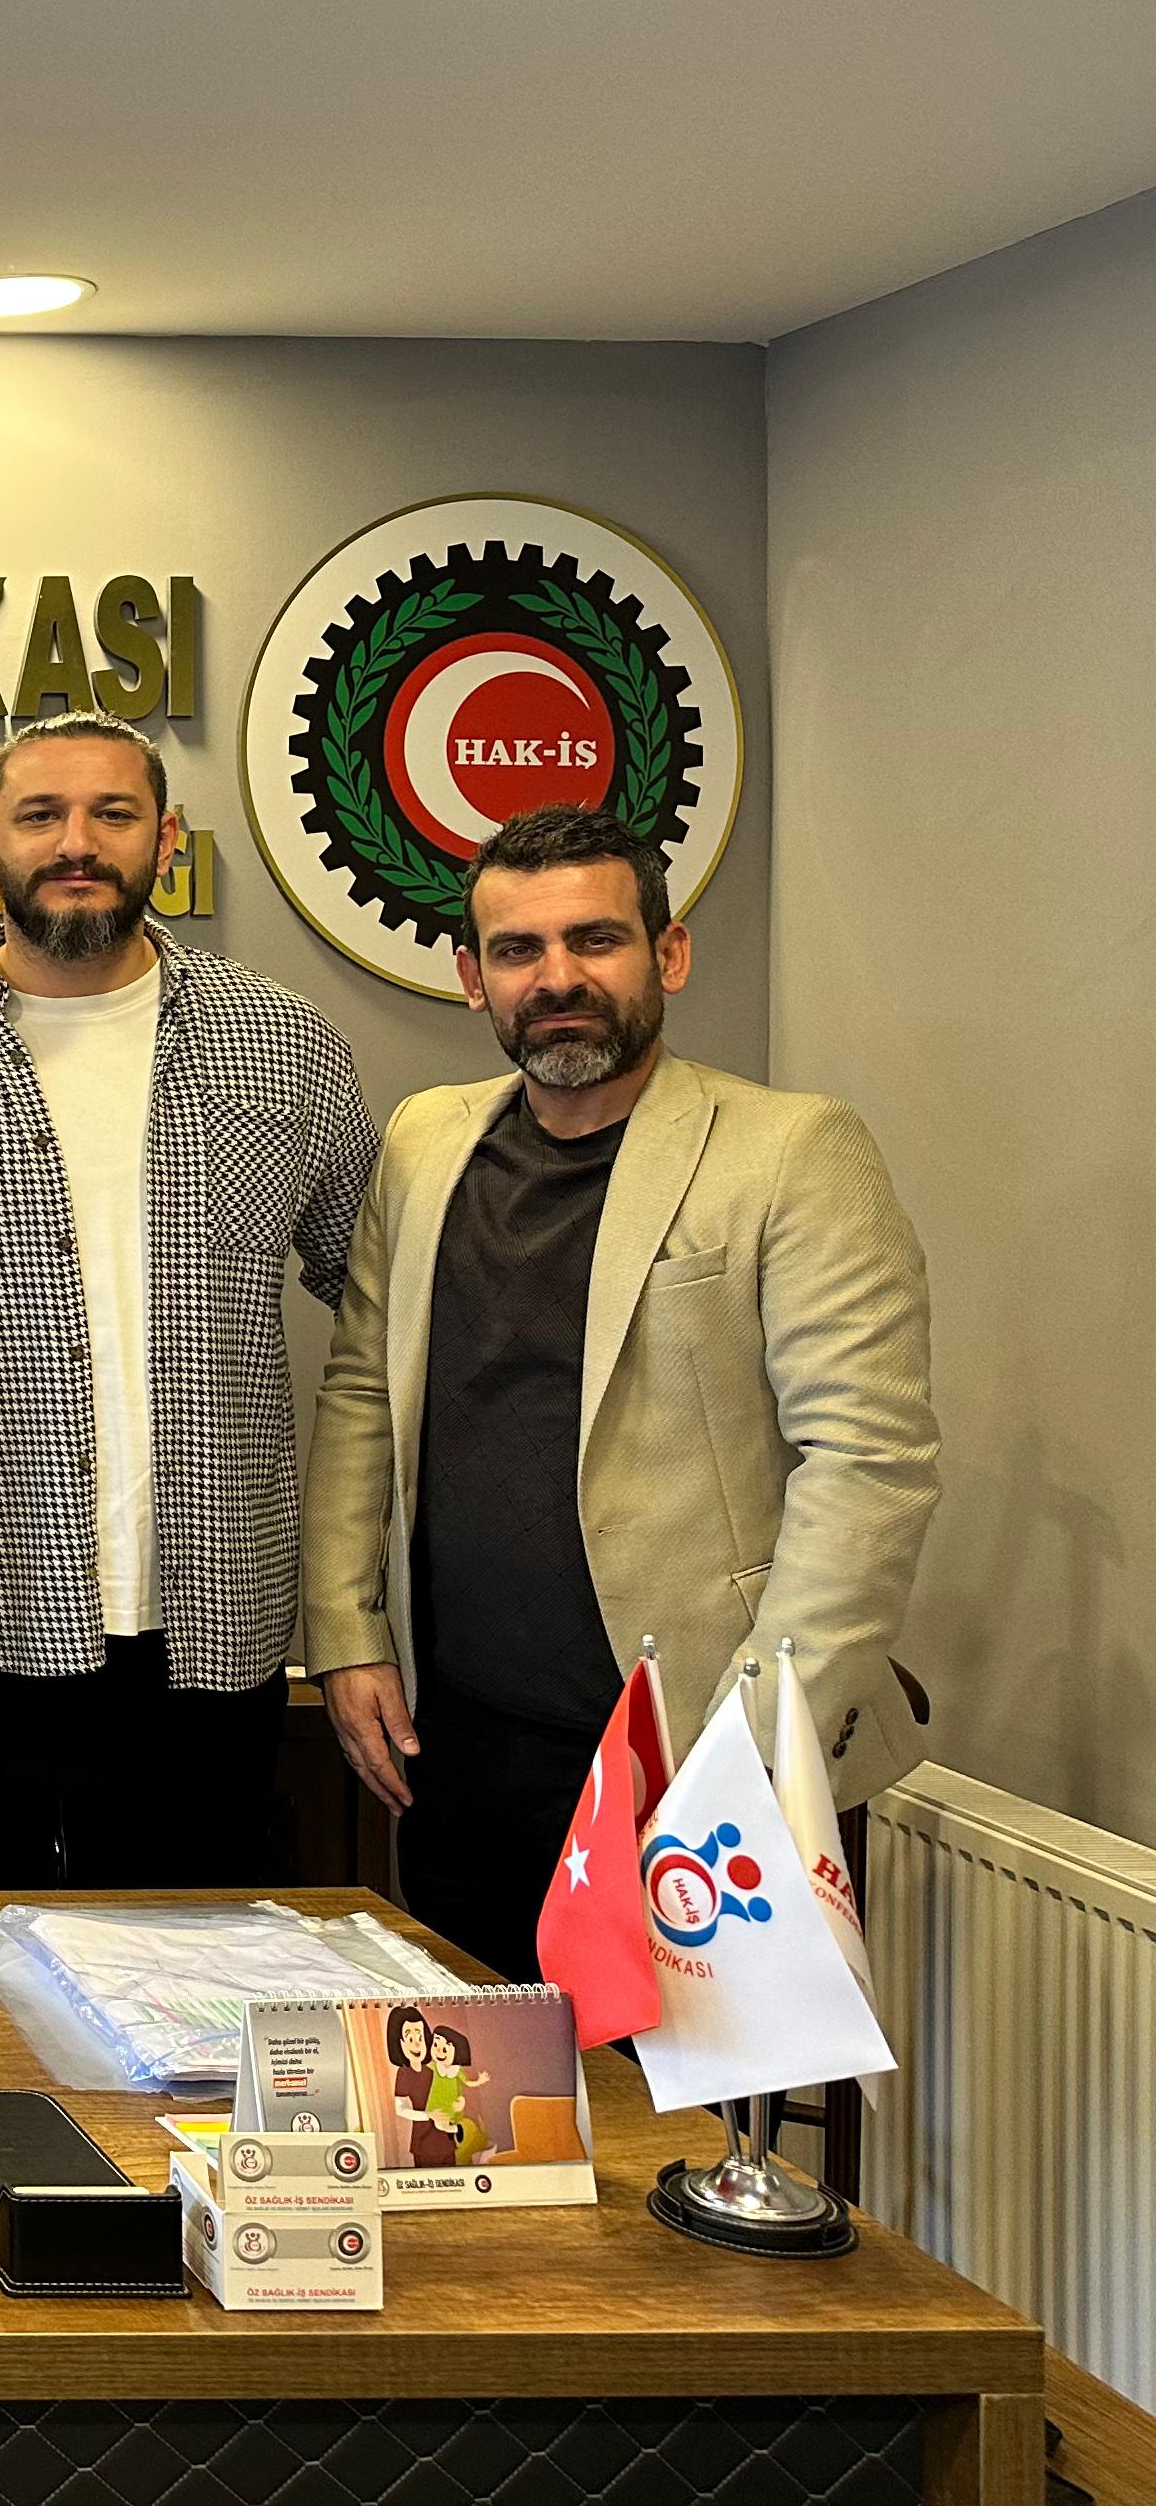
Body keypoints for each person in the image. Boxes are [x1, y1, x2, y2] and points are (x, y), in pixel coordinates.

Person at [303, 803, 941, 1981]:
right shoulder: (424, 1143)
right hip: (459, 1753)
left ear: (669, 953)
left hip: (688, 1757)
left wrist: (748, 1754)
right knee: (483, 2083)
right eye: (518, 949)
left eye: (595, 939)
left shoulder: (792, 1152)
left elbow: (869, 1463)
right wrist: (346, 1634)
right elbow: (359, 1396)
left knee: (684, 2095)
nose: (558, 978)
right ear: (473, 978)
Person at [0, 711, 376, 1886]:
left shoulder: (285, 1045)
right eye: (41, 815)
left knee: (195, 1964)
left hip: (214, 1621)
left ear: (166, 840)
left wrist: (365, 1589)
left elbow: (378, 1308)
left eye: (113, 814)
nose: (77, 842)